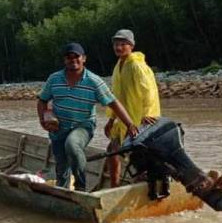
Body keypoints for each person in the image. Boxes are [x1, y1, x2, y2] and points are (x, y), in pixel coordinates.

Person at [37, 42, 138, 191]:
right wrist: (44, 120)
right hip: (58, 127)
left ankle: (80, 188)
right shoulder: (54, 79)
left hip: (83, 126)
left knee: (72, 144)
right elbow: (42, 100)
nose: (73, 60)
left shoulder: (93, 81)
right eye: (69, 57)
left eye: (76, 56)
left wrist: (130, 125)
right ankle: (63, 192)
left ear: (84, 58)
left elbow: (114, 103)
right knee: (62, 167)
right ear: (65, 60)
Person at [104, 29, 161, 187]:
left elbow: (148, 89)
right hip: (124, 119)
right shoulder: (118, 66)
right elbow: (116, 96)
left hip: (139, 119)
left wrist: (149, 114)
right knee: (112, 150)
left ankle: (142, 184)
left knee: (138, 155)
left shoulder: (136, 65)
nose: (119, 47)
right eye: (116, 44)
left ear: (131, 46)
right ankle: (114, 186)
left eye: (123, 44)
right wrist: (111, 119)